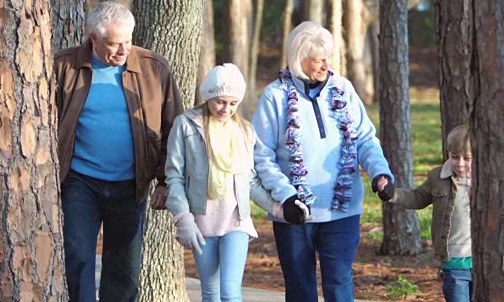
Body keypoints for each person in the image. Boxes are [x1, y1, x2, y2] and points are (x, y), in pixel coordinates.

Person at [252, 21, 395, 302]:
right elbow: (261, 156)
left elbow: (365, 139)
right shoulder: (275, 96)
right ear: (298, 59)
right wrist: (287, 197)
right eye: (317, 60)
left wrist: (381, 173)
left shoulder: (343, 89)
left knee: (340, 285)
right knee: (300, 288)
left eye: (327, 59)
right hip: (294, 213)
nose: (325, 66)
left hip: (341, 211)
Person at [54, 1, 183, 302]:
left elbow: (173, 128)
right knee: (77, 258)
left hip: (131, 183)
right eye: (114, 44)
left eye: (127, 41)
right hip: (79, 181)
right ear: (93, 39)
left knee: (124, 269)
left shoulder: (154, 69)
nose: (123, 51)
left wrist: (165, 181)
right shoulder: (64, 67)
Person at [165, 63, 308, 302]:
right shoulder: (186, 125)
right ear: (208, 96)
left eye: (233, 103)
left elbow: (250, 180)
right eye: (220, 101)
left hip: (236, 220)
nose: (226, 109)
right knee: (211, 293)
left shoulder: (244, 131)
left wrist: (277, 208)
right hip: (202, 222)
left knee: (230, 292)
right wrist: (184, 219)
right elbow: (175, 176)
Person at [373, 124, 472, 302]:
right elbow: (418, 197)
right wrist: (391, 193)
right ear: (448, 153)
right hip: (455, 262)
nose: (461, 164)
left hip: (485, 262)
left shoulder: (489, 179)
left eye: (467, 158)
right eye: (455, 157)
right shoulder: (438, 178)